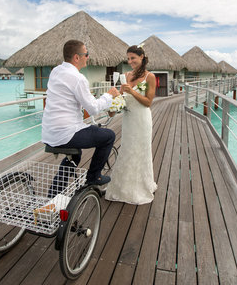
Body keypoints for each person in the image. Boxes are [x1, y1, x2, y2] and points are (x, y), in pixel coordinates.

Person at [42, 40, 120, 196]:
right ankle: (93, 177)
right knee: (108, 136)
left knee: (75, 156)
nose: (88, 57)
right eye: (86, 54)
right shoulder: (78, 78)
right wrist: (109, 95)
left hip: (49, 133)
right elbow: (93, 109)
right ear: (77, 57)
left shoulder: (56, 71)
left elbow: (66, 96)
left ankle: (53, 195)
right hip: (66, 132)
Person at [105, 45, 157, 204]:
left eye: (133, 58)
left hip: (142, 120)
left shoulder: (150, 77)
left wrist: (132, 91)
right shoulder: (125, 75)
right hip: (128, 120)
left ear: (142, 57)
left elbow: (148, 102)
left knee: (141, 151)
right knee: (127, 150)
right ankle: (122, 188)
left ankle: (141, 187)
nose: (130, 61)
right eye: (128, 58)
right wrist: (114, 101)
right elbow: (121, 99)